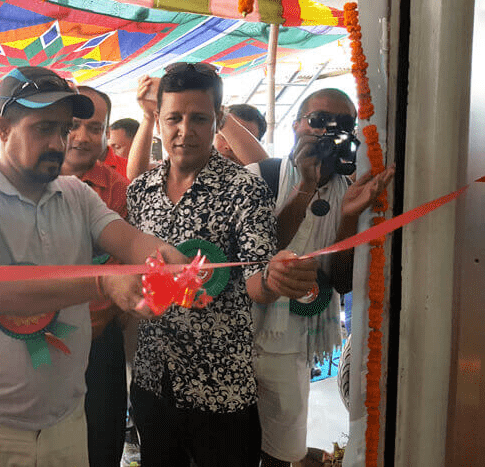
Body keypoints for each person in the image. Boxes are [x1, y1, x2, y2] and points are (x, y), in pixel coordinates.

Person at [0, 66, 188, 466]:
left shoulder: (75, 194)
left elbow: (129, 239)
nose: (58, 142)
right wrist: (102, 285)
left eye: (63, 129)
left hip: (66, 420)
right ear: (3, 128)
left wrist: (168, 258)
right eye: (43, 128)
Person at [125, 62, 319, 467]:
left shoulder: (244, 188)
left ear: (217, 121)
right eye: (173, 118)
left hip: (220, 387)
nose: (185, 130)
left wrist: (276, 277)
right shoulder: (141, 190)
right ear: (157, 121)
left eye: (199, 118)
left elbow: (256, 283)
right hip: (152, 380)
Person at [245, 89, 394, 467]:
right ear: (296, 124)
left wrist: (348, 218)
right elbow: (254, 255)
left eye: (343, 124)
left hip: (294, 343)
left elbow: (341, 282)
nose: (330, 131)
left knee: (281, 449)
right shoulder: (258, 176)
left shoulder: (350, 189)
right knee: (229, 443)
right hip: (236, 335)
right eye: (318, 121)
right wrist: (305, 187)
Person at [59, 85, 130, 467]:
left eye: (94, 127)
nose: (82, 136)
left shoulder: (119, 191)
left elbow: (125, 267)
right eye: (73, 125)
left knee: (100, 442)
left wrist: (94, 323)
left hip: (99, 340)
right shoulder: (24, 184)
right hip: (33, 341)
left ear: (105, 138)